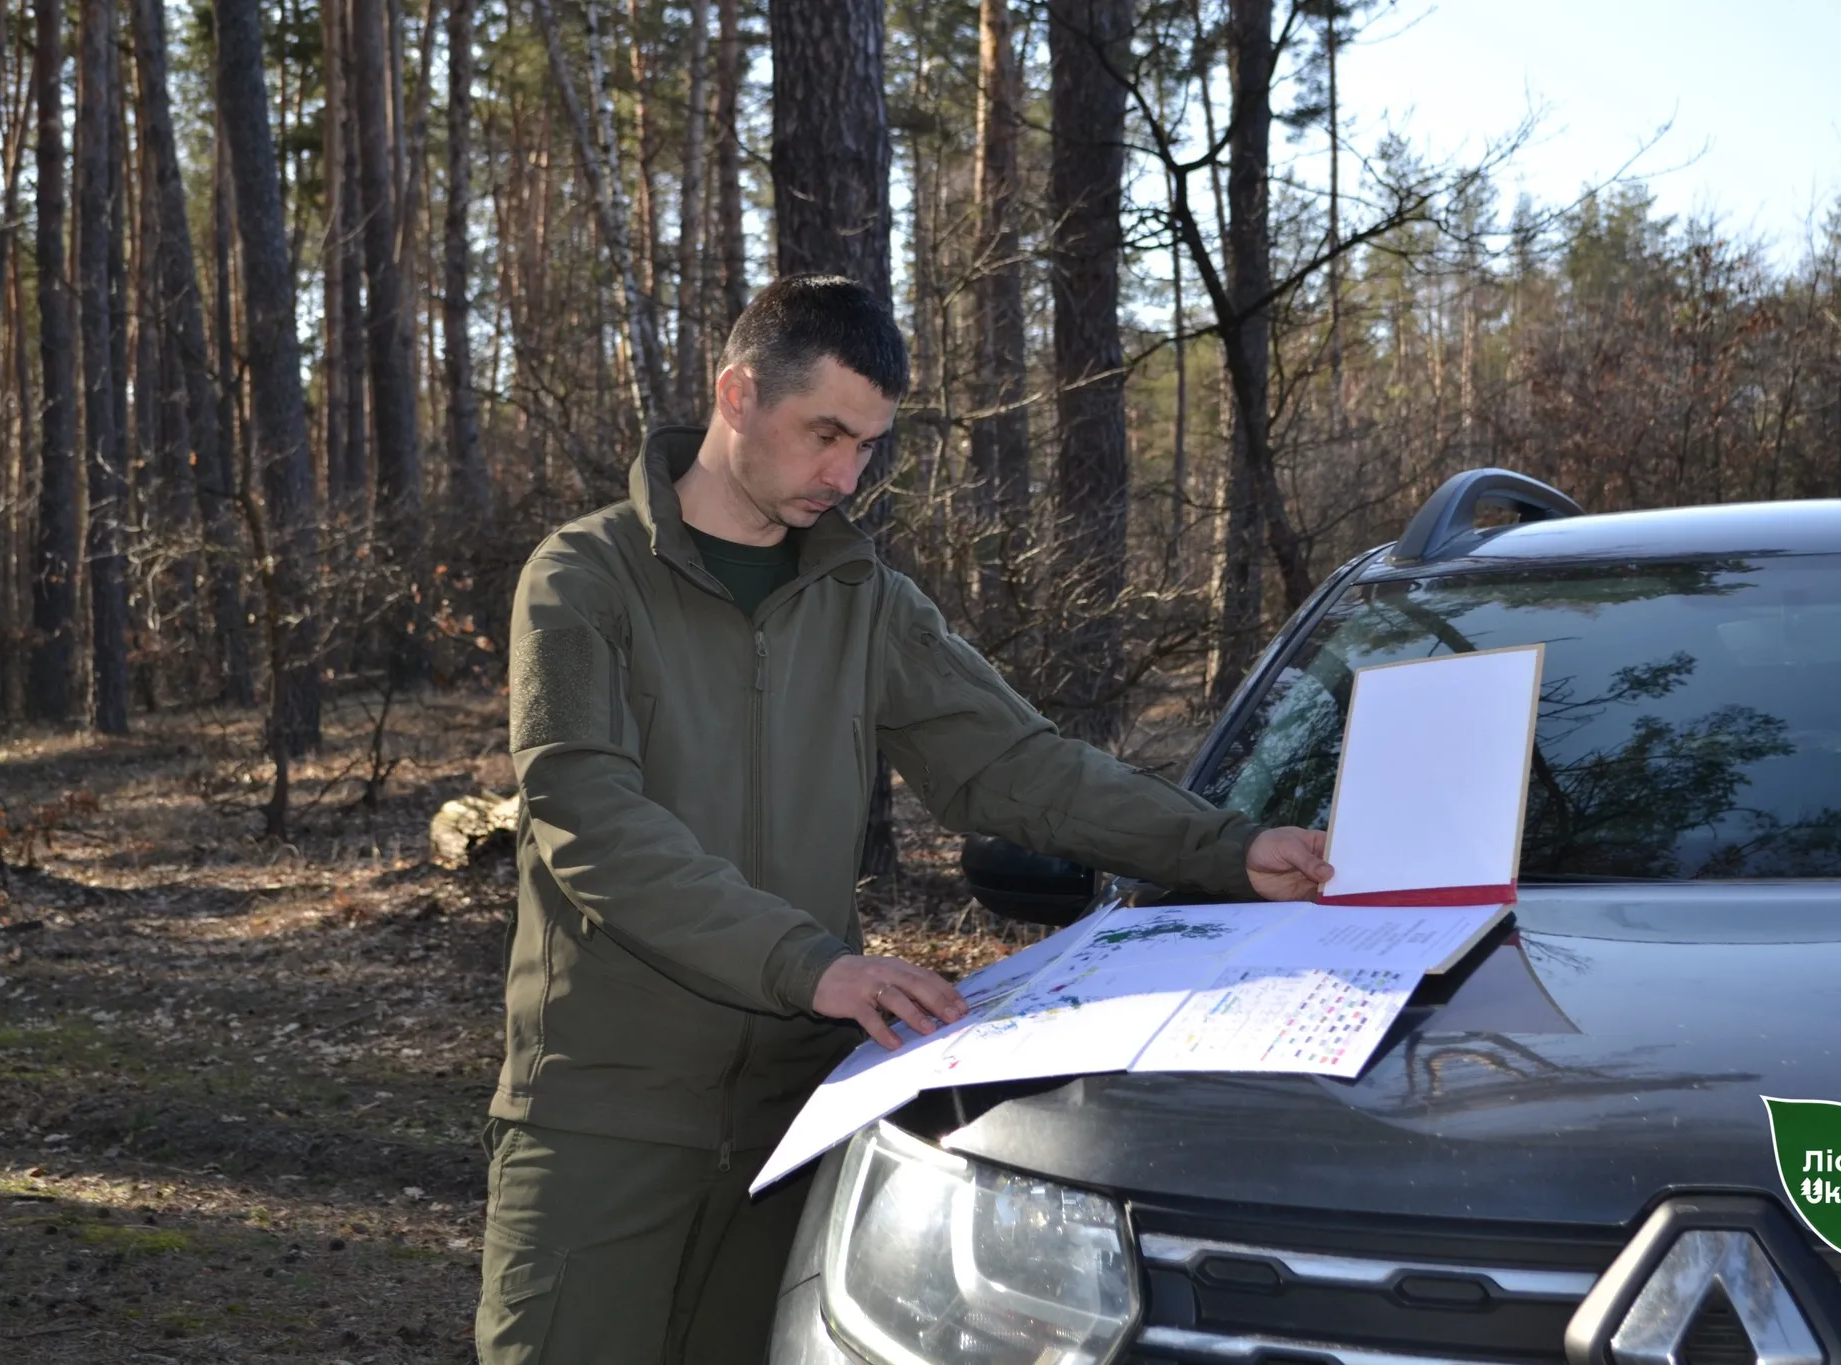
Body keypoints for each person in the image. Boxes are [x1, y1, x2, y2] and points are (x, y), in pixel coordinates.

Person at [477, 274, 1331, 1364]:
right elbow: (585, 814)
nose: (846, 475)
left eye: (869, 446)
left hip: (795, 1116)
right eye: (823, 433)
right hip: (605, 1115)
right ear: (736, 395)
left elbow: (1016, 767)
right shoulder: (584, 579)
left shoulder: (863, 600)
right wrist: (810, 963)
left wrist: (1228, 846)